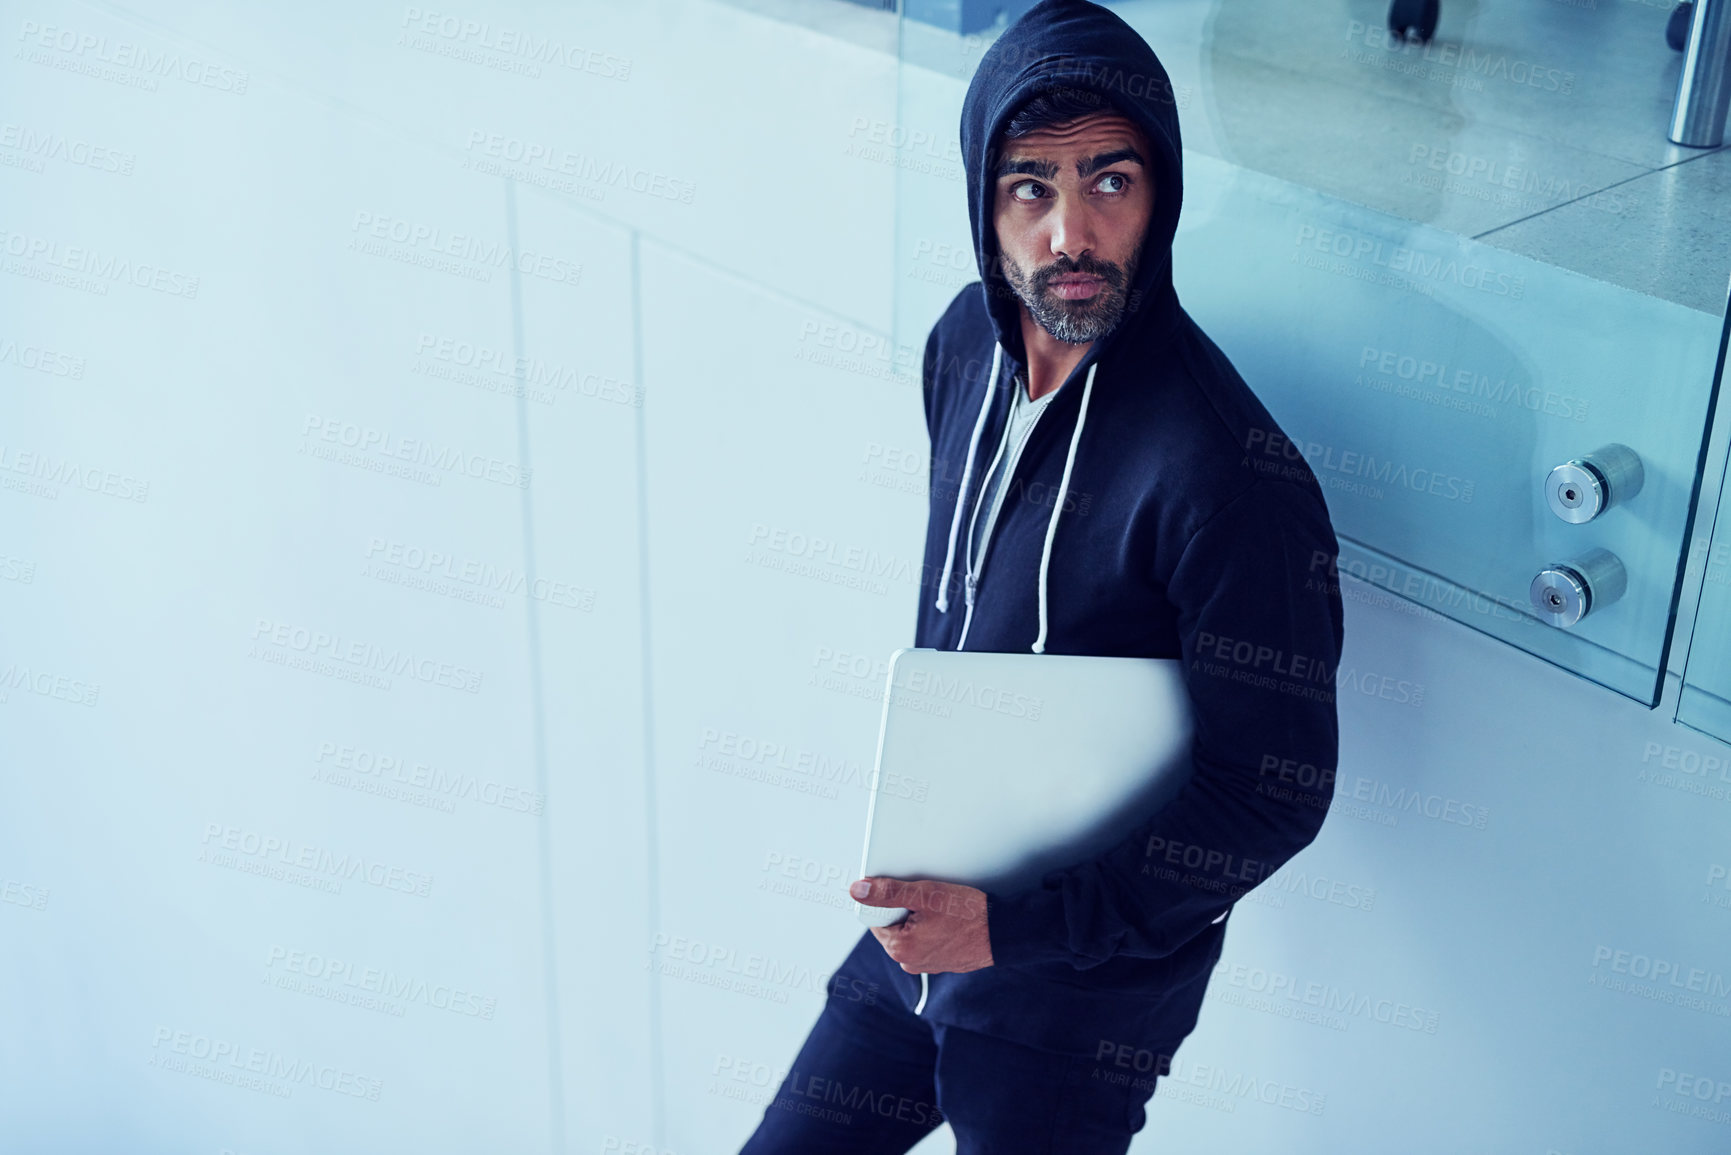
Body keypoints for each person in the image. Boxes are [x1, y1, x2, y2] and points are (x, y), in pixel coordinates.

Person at [739, 1, 1344, 1150]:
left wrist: (1013, 927)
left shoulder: (1231, 477)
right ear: (985, 199)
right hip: (916, 937)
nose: (1072, 232)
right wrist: (952, 911)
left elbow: (1270, 791)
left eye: (1111, 182)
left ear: (1160, 193)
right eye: (1032, 188)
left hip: (1071, 1013)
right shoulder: (963, 345)